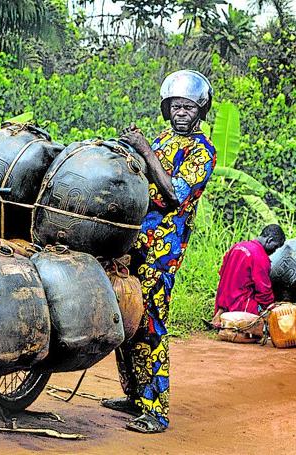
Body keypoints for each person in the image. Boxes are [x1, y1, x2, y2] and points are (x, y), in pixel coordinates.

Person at [101, 70, 217, 433]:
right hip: (134, 242)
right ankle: (134, 396)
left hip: (162, 250)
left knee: (151, 323)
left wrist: (145, 150)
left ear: (200, 111)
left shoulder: (202, 151)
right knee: (128, 314)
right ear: (167, 109)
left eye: (188, 107)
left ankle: (156, 409)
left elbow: (174, 194)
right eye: (175, 106)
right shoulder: (163, 139)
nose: (181, 112)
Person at [211, 225, 286, 326]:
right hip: (240, 304)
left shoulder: (237, 246)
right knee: (268, 314)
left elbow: (222, 271)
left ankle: (220, 314)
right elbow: (264, 290)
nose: (274, 251)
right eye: (275, 247)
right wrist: (269, 306)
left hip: (223, 299)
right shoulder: (261, 257)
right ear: (269, 240)